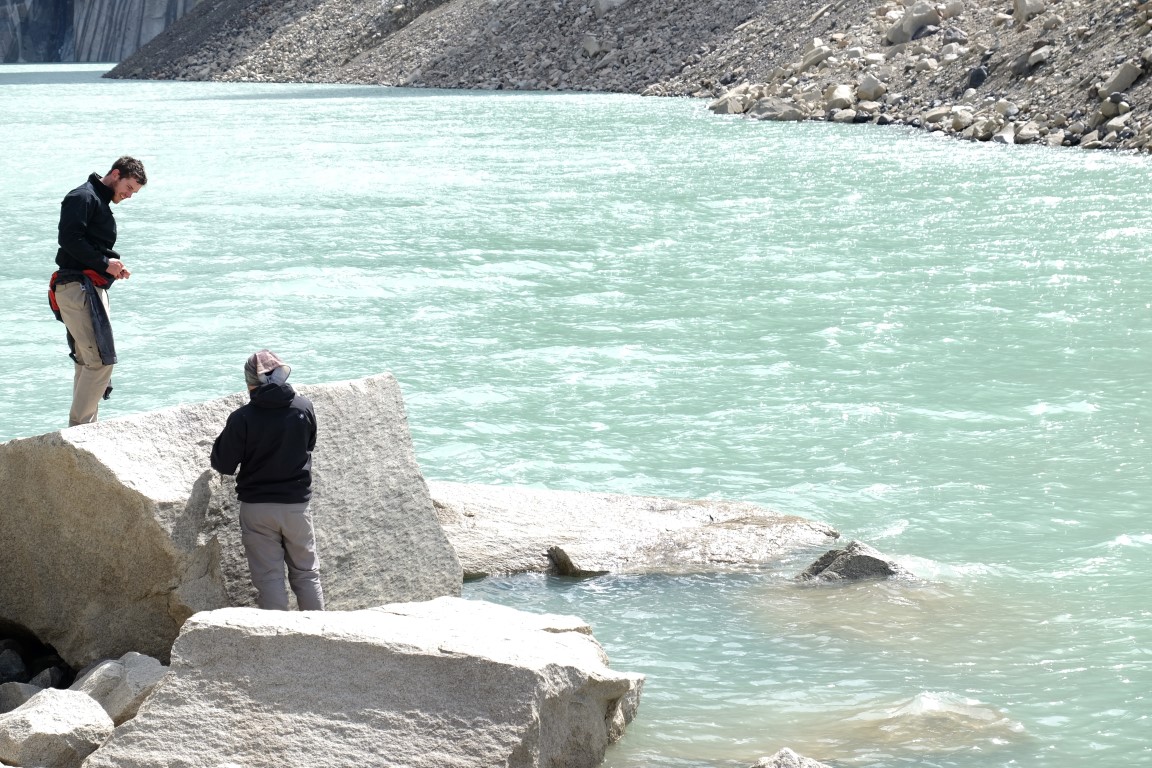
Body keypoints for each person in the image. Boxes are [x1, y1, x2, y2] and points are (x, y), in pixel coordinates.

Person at [210, 350, 326, 611]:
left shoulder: (242, 417)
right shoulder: (303, 407)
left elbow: (223, 464)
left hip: (258, 509)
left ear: (250, 383)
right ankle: (319, 630)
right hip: (296, 507)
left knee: (269, 579)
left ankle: (277, 635)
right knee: (307, 574)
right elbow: (310, 444)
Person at [48, 156, 147, 426]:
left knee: (87, 360)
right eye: (128, 188)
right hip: (77, 288)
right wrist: (105, 264)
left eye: (134, 192)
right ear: (115, 174)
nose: (129, 195)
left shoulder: (97, 201)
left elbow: (86, 246)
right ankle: (79, 431)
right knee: (100, 361)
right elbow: (69, 239)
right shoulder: (83, 197)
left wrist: (111, 266)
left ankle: (86, 429)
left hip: (86, 288)